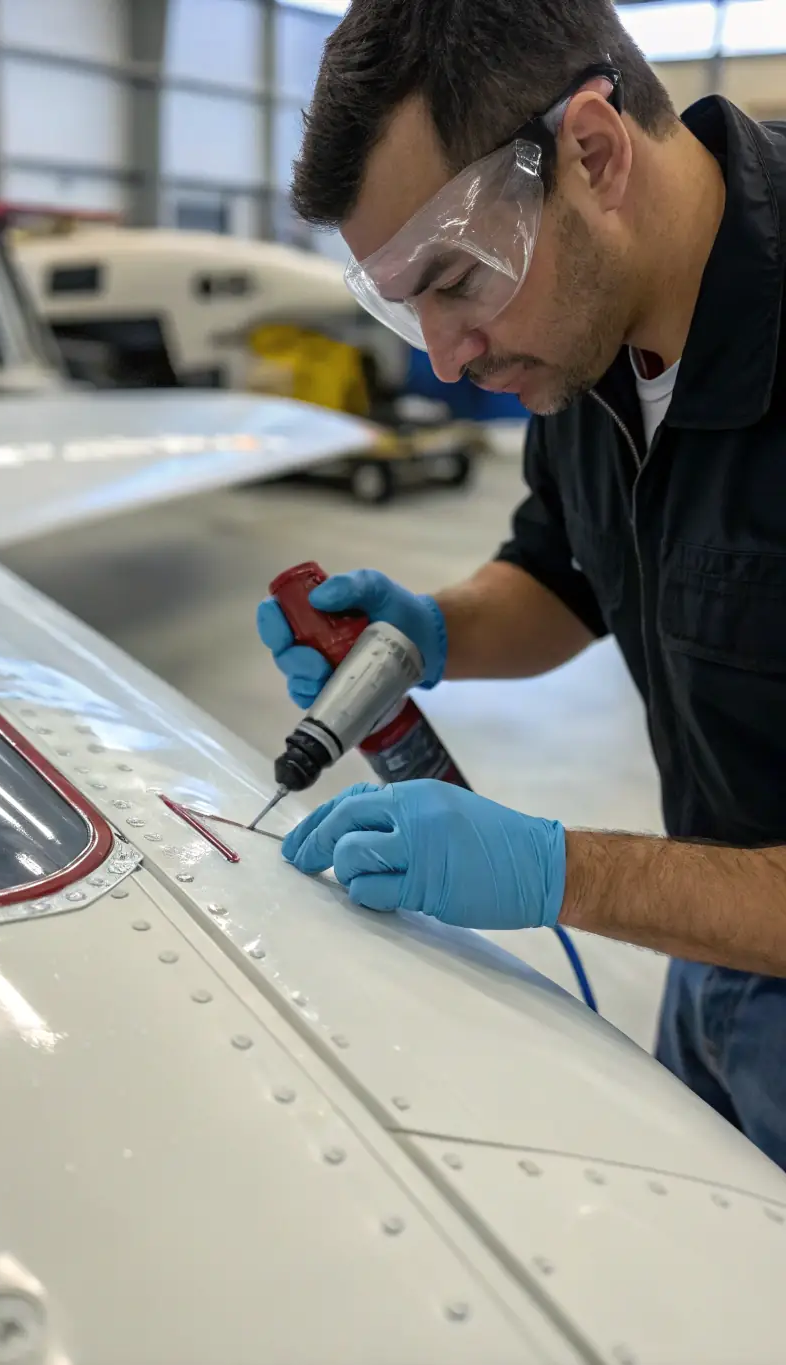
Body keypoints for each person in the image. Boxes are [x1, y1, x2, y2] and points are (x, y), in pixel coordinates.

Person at [256, 0, 786, 1169]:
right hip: (713, 949)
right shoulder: (584, 339)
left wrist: (558, 870)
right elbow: (569, 572)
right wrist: (423, 634)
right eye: (405, 305)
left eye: (456, 280)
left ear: (594, 155)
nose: (444, 358)